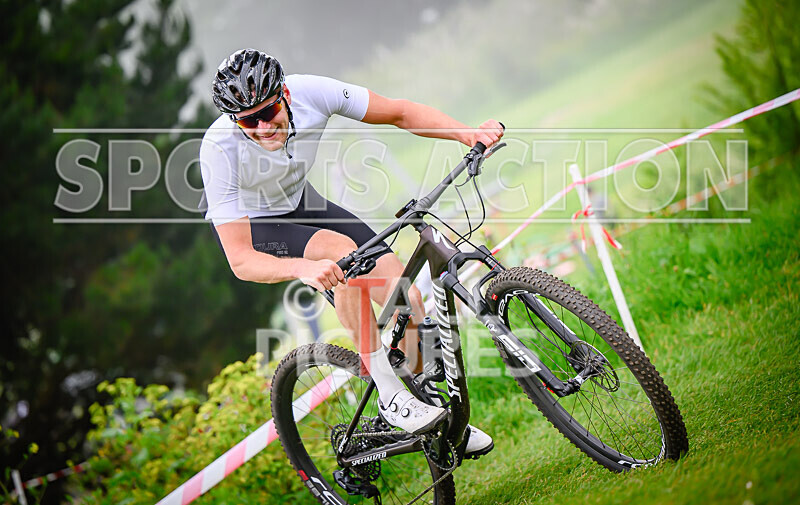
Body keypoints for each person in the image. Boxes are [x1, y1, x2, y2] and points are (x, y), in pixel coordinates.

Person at [201, 48, 502, 457]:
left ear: (285, 93)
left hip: (303, 202)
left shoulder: (312, 92)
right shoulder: (219, 149)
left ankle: (440, 420)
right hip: (258, 226)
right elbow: (239, 260)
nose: (261, 127)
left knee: (408, 298)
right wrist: (304, 268)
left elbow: (398, 112)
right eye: (247, 120)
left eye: (267, 111)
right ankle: (390, 394)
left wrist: (466, 134)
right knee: (341, 253)